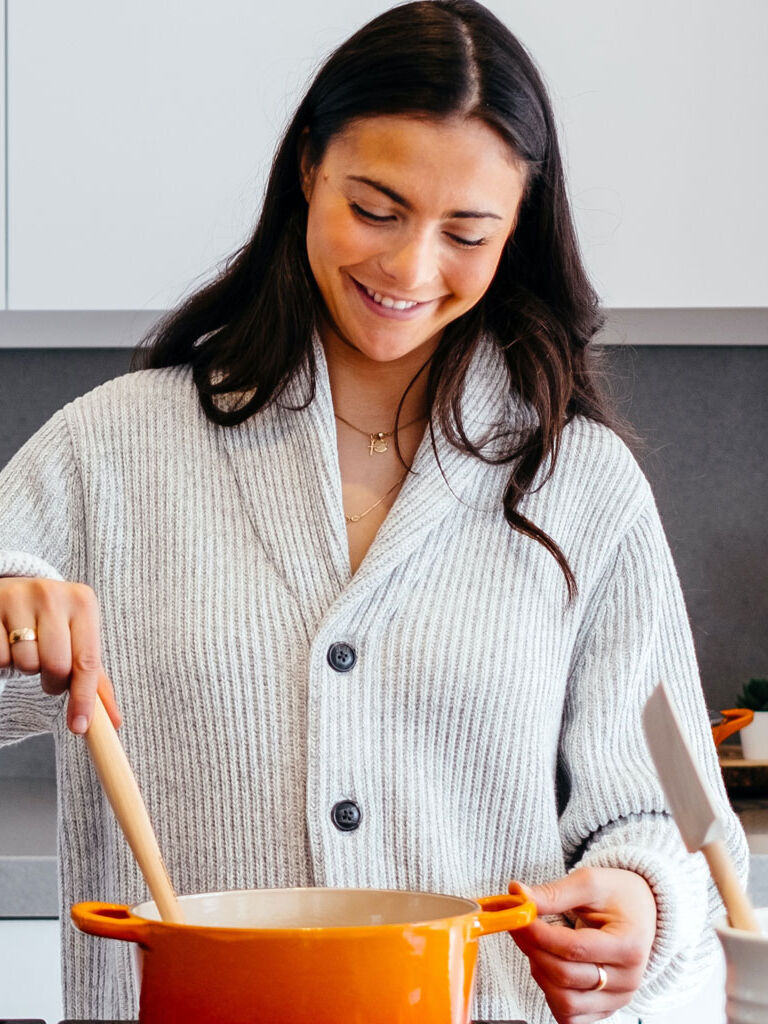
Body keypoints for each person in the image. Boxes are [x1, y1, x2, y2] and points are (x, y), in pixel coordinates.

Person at [0, 1, 748, 1022]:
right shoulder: (111, 451)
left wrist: (639, 900)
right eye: (377, 207)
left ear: (517, 227)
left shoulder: (583, 483)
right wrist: (9, 608)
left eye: (466, 232)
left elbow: (656, 811)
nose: (408, 269)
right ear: (308, 166)